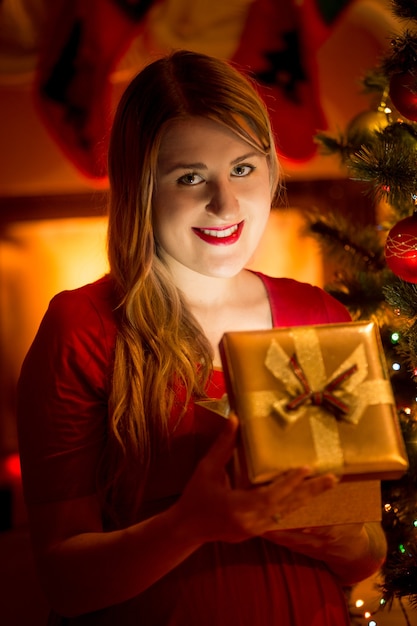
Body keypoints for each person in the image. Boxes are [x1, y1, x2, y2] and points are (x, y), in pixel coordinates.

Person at [17, 50, 387, 626]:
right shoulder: (83, 326)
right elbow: (63, 580)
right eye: (190, 177)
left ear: (270, 167)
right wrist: (192, 524)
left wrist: (333, 534)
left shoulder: (318, 313)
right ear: (140, 188)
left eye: (243, 168)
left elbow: (368, 552)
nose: (225, 204)